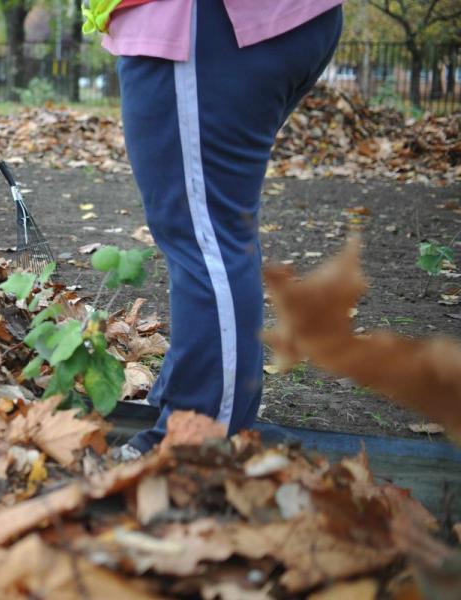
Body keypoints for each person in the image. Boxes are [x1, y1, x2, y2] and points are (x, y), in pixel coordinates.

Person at [91, 0, 344, 458]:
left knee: (203, 232)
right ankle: (193, 403)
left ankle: (197, 436)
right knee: (210, 225)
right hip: (252, 21)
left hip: (203, 22)